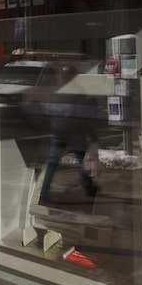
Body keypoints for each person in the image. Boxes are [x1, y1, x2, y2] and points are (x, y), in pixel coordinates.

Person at [38, 64, 98, 204]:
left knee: (52, 162)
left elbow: (52, 110)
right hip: (74, 130)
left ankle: (44, 192)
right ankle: (88, 188)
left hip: (58, 130)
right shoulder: (78, 90)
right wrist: (91, 134)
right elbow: (81, 115)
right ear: (74, 76)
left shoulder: (56, 89)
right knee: (81, 158)